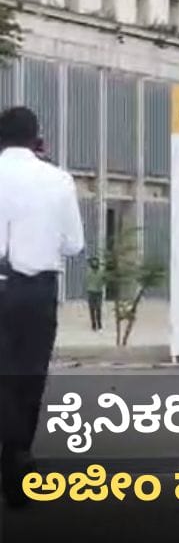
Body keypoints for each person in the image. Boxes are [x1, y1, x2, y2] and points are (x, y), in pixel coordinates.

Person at [0, 106, 85, 507]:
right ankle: (18, 460)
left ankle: (13, 455)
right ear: (37, 139)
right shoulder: (58, 180)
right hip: (36, 292)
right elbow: (74, 245)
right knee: (29, 377)